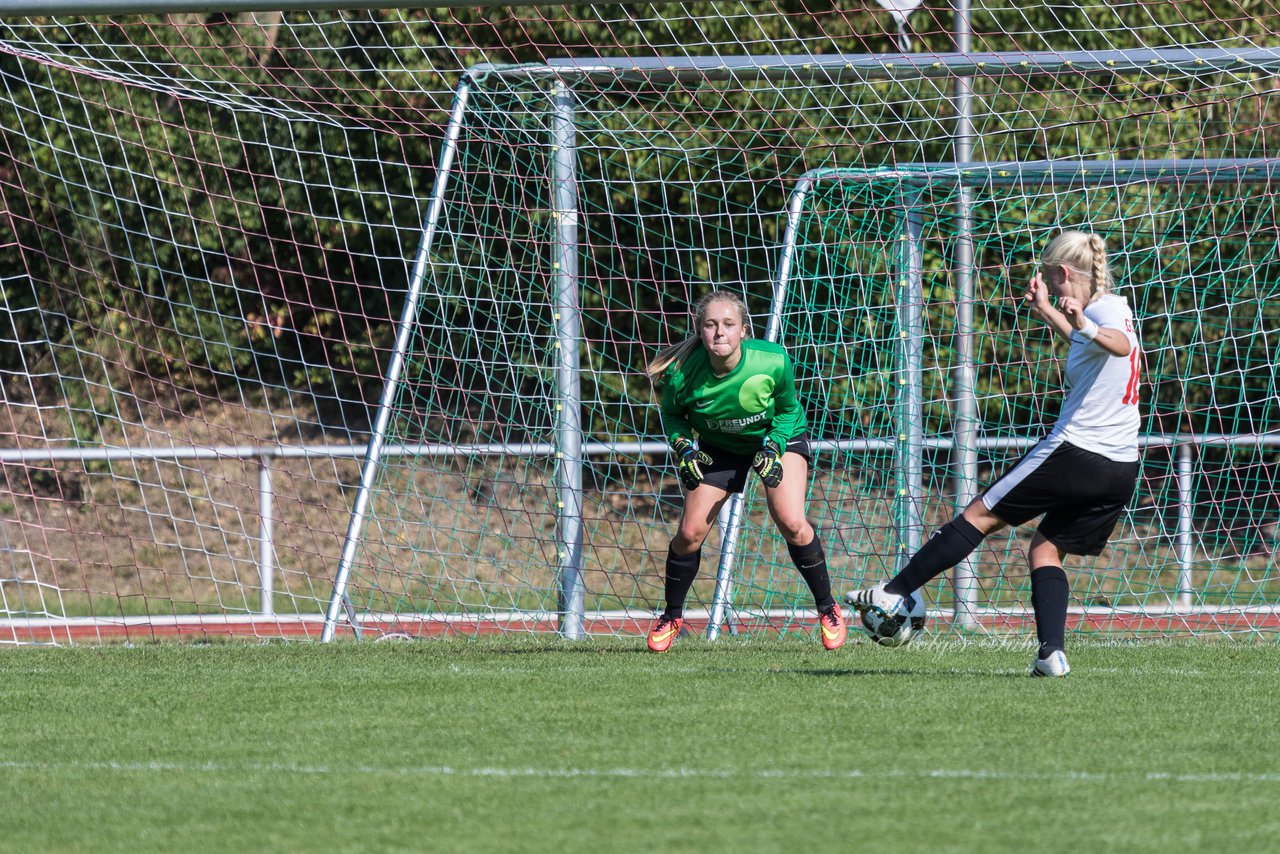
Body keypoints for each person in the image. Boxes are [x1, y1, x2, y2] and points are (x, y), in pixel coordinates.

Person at [846, 230, 1141, 676]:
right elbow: (1096, 343)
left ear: (1064, 273)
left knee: (980, 514)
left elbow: (1116, 343)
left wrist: (1081, 321)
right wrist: (1049, 311)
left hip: (1077, 450)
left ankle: (895, 590)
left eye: (1050, 280)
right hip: (1120, 465)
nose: (1051, 287)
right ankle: (1050, 656)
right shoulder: (1113, 305)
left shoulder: (1099, 314)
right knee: (1045, 550)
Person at [644, 290, 847, 653]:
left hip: (774, 438)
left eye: (728, 324)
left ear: (742, 330)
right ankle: (672, 615)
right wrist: (684, 447)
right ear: (699, 330)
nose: (719, 332)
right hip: (718, 448)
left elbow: (787, 411)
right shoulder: (681, 374)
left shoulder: (771, 360)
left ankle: (827, 607)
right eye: (710, 325)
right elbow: (673, 416)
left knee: (791, 521)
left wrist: (773, 447)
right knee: (689, 534)